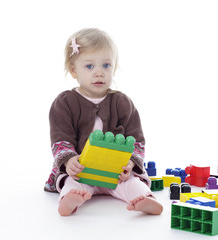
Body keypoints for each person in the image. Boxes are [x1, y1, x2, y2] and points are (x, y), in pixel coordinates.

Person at [44, 28, 163, 216]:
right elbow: (60, 137)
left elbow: (136, 139)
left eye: (106, 65)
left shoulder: (122, 102)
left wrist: (130, 164)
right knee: (72, 182)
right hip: (81, 171)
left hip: (115, 173)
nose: (99, 73)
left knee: (131, 182)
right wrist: (69, 161)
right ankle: (70, 200)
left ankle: (144, 199)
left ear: (114, 68)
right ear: (74, 70)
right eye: (90, 66)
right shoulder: (65, 102)